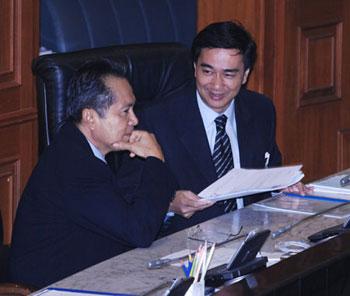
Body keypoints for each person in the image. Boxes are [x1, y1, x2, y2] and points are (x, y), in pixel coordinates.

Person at [9, 60, 177, 288]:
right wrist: (156, 160)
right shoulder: (74, 166)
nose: (135, 120)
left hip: (93, 273)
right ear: (90, 117)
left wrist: (167, 205)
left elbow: (119, 213)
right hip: (52, 288)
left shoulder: (77, 146)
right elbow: (139, 232)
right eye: (125, 111)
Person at [136, 21, 307, 235]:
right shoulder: (157, 119)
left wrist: (285, 188)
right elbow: (133, 195)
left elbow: (269, 175)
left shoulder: (260, 109)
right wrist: (168, 204)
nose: (216, 85)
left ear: (245, 75)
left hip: (252, 238)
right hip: (188, 247)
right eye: (207, 71)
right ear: (194, 68)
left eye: (228, 74)